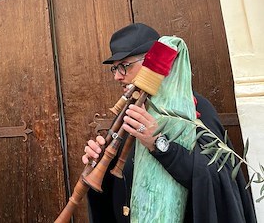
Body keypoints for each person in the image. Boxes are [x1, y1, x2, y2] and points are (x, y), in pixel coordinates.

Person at [83, 23, 256, 223]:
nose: (117, 76)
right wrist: (99, 165)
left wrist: (158, 143)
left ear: (152, 62)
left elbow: (217, 180)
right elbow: (121, 186)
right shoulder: (131, 112)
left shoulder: (195, 109)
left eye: (125, 65)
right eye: (115, 68)